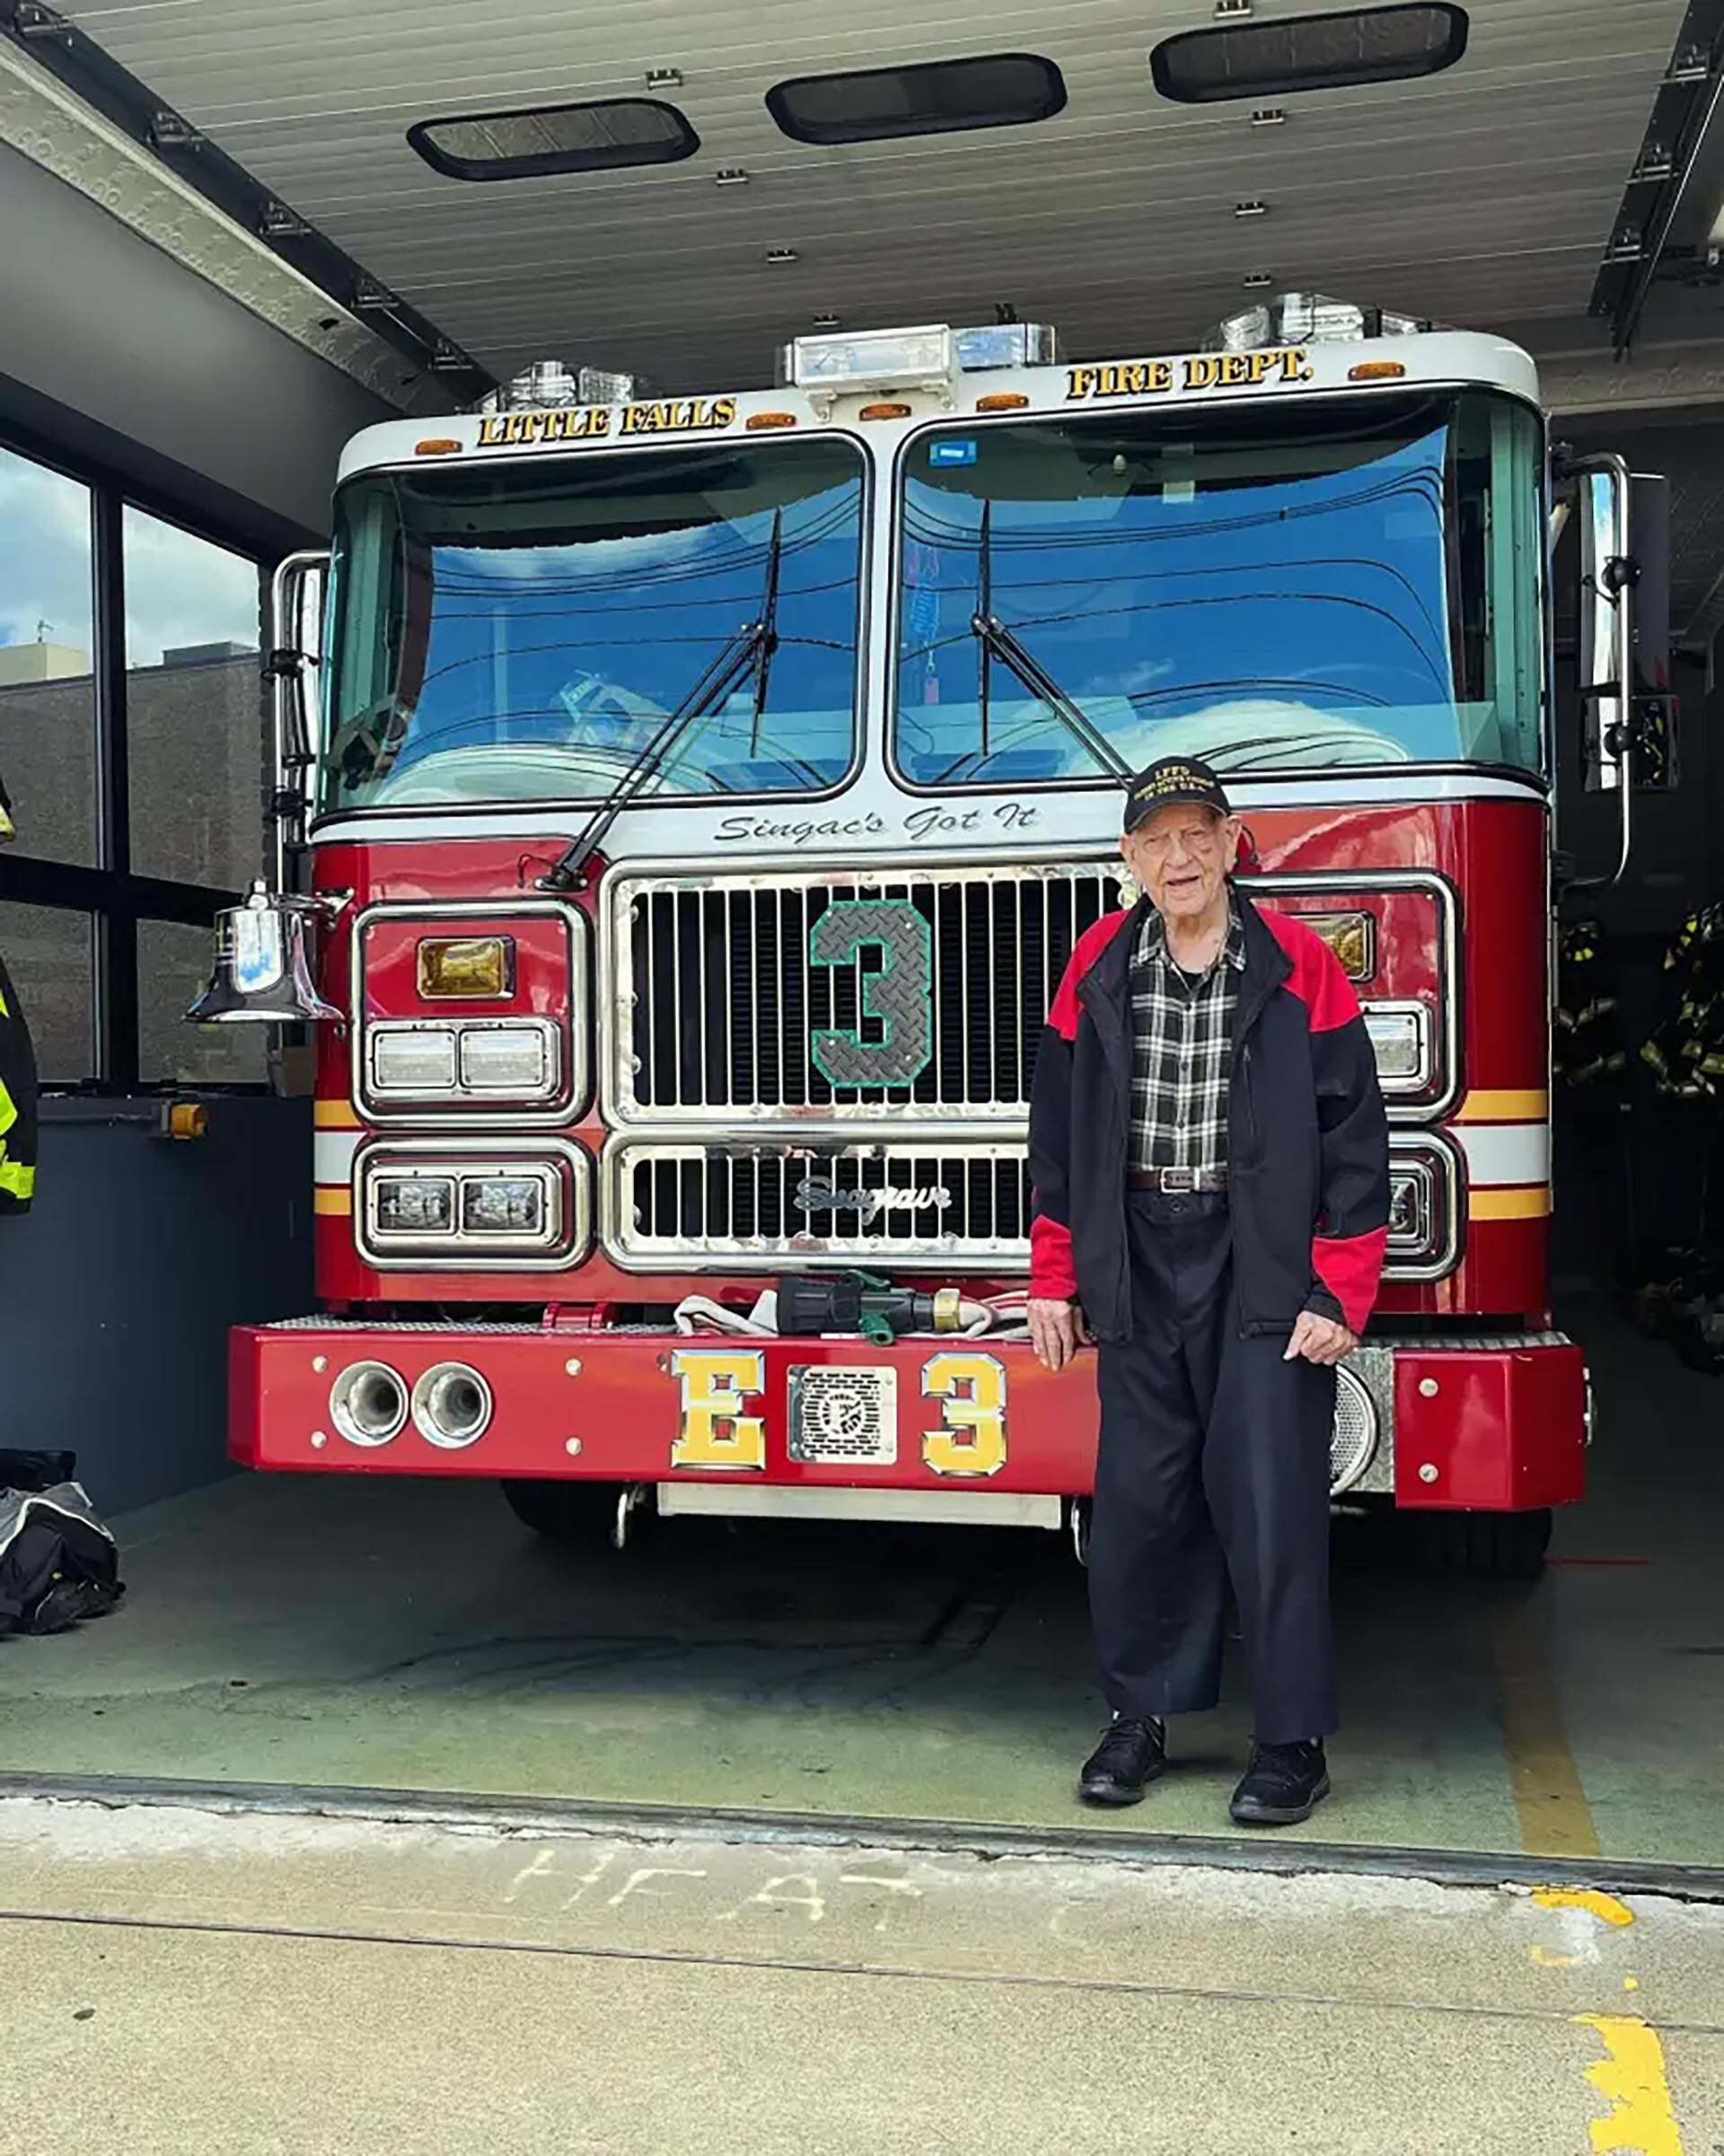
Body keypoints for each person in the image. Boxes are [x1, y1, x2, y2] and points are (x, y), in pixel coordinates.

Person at [1026, 754, 1389, 1826]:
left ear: (1234, 844)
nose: (1178, 857)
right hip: (1137, 1255)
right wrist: (1058, 1274)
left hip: (1260, 1261)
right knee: (1141, 1505)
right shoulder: (1094, 962)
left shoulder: (1300, 966)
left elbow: (1356, 1137)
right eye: (1156, 841)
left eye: (1198, 835)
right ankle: (1139, 1721)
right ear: (1129, 860)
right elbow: (1059, 1138)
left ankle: (1291, 1742)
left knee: (1271, 1500)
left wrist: (1339, 1290)